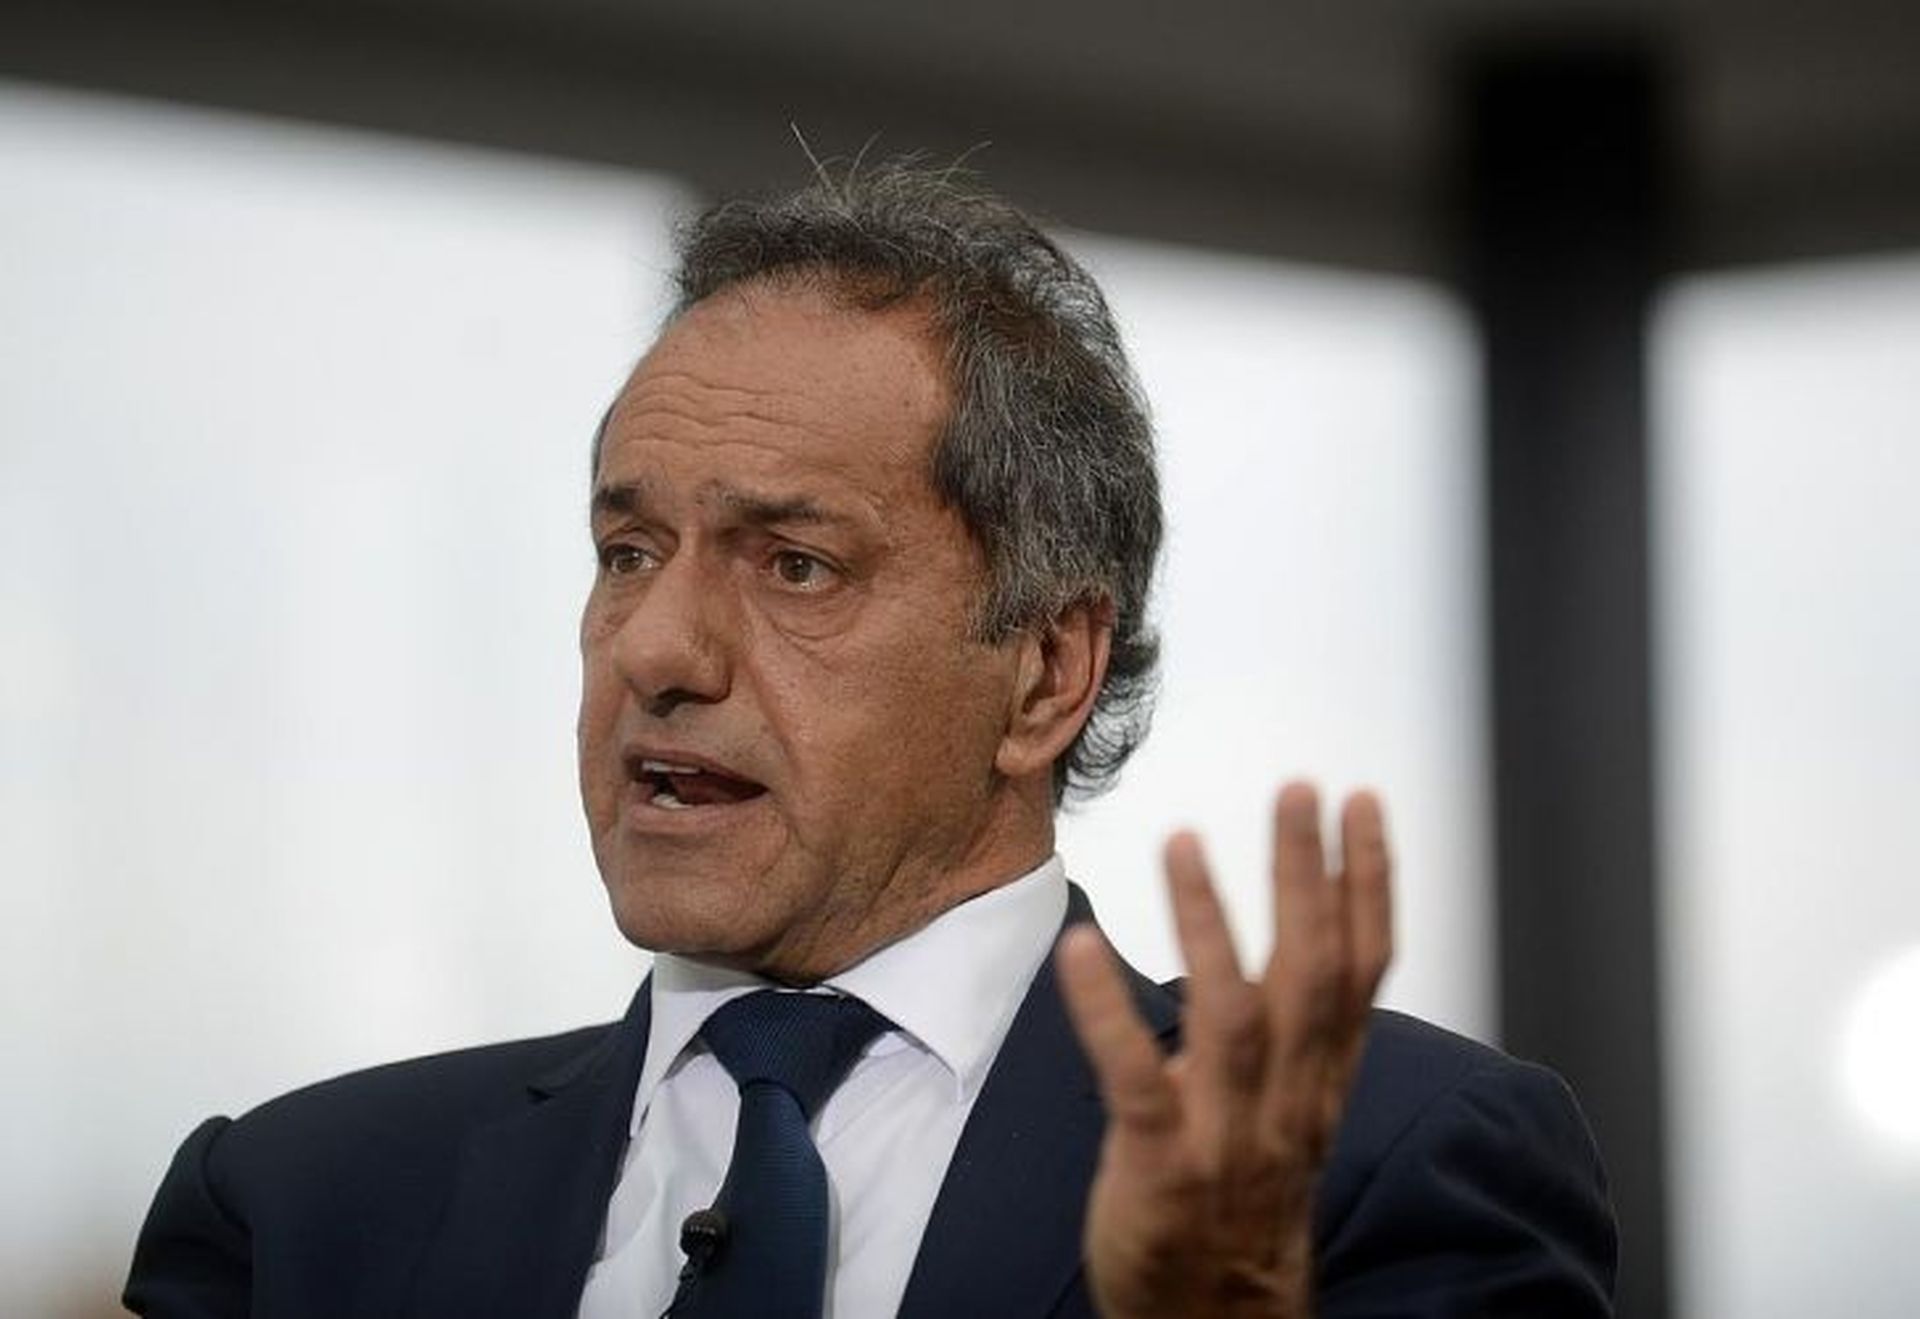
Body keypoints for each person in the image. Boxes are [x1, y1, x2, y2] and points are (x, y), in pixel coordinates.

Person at [124, 162, 1616, 1318]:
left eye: (796, 565)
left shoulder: (1376, 1171)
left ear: (1045, 674)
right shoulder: (300, 1207)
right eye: (629, 552)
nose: (655, 651)